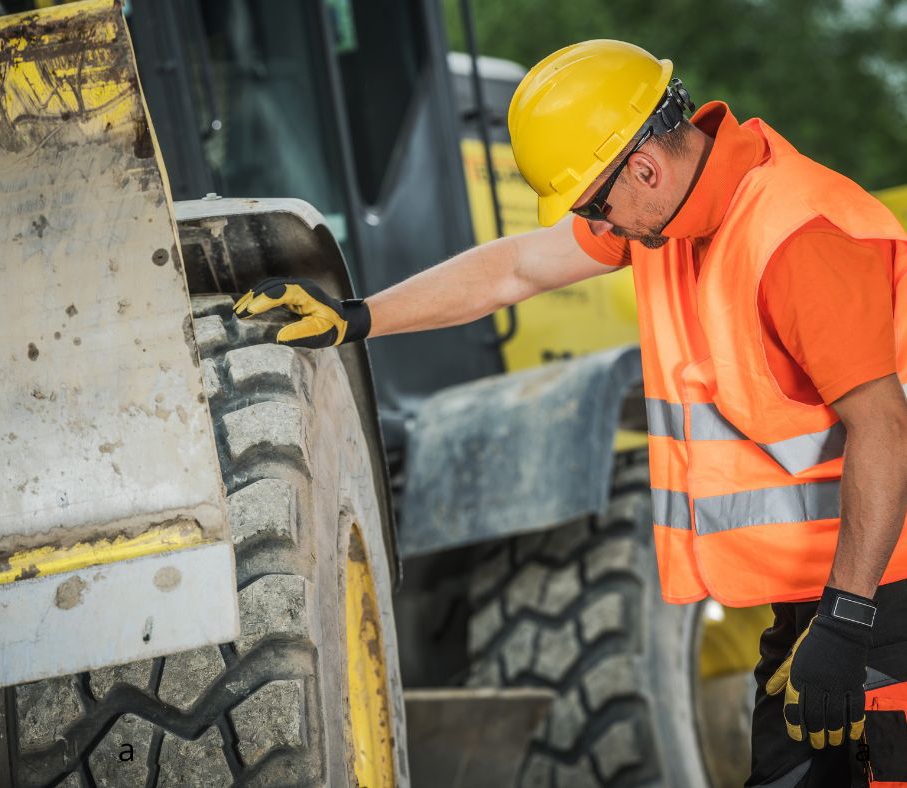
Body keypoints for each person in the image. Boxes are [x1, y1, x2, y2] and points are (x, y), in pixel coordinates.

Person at [233, 40, 907, 788]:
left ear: (645, 167)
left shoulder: (798, 238)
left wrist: (849, 617)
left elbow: (884, 427)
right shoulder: (671, 217)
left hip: (881, 596)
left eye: (594, 204)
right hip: (826, 603)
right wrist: (358, 317)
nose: (597, 224)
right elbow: (515, 267)